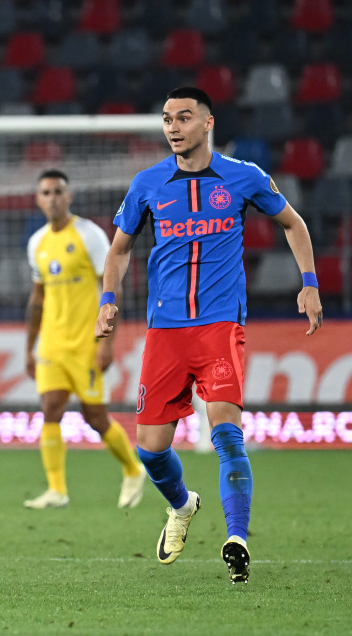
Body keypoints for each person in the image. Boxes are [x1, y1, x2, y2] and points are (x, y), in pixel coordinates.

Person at [95, 87, 323, 584]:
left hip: (221, 327)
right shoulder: (148, 183)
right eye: (166, 118)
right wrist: (107, 301)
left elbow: (294, 223)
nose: (173, 127)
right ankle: (183, 505)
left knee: (225, 433)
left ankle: (236, 539)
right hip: (165, 332)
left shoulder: (243, 177)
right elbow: (118, 251)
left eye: (183, 117)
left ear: (207, 123)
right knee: (151, 451)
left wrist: (309, 283)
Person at [23, 169, 146, 510]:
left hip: (85, 343)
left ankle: (133, 469)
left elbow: (112, 284)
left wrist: (107, 343)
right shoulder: (37, 243)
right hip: (51, 343)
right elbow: (37, 299)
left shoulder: (89, 235)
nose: (52, 198)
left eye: (58, 191)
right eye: (46, 193)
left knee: (95, 417)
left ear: (69, 196)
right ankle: (56, 490)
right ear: (38, 199)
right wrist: (29, 348)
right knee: (50, 409)